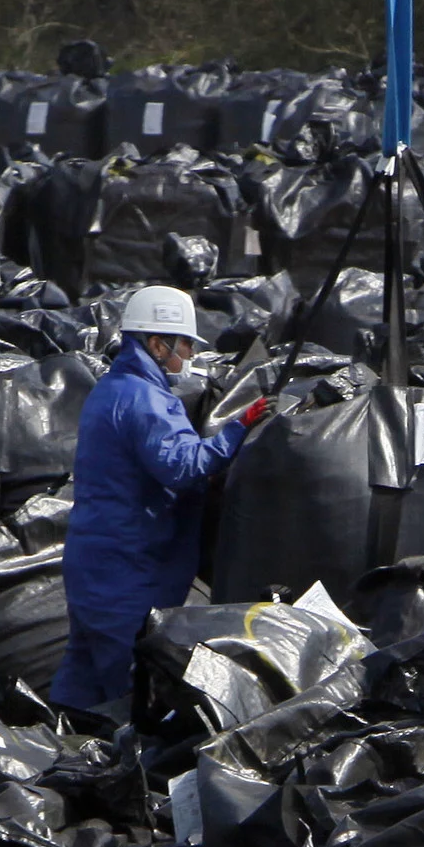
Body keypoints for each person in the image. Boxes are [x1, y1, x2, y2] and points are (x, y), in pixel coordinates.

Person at [52, 285, 267, 721]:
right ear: (156, 343)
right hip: (125, 569)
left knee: (82, 673)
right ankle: (115, 775)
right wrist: (241, 424)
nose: (188, 354)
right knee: (127, 688)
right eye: (185, 343)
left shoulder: (113, 388)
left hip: (95, 563)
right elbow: (184, 467)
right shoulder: (144, 399)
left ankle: (56, 749)